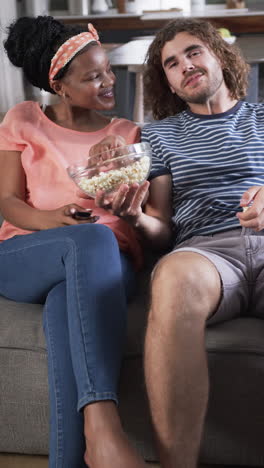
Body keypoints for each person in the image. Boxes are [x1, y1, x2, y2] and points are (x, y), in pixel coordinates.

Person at [93, 17, 264, 468]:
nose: (185, 65)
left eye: (193, 52)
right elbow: (163, 229)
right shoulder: (161, 136)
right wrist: (133, 216)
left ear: (218, 56)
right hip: (206, 252)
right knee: (170, 278)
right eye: (171, 63)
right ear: (165, 80)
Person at [0, 15, 149, 468]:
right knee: (88, 239)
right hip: (29, 253)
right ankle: (103, 423)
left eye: (107, 70)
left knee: (82, 273)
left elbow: (138, 211)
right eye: (92, 77)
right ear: (59, 86)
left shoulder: (125, 133)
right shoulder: (24, 120)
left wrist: (122, 203)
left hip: (106, 263)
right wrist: (51, 219)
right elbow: (6, 201)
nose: (108, 82)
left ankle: (76, 456)